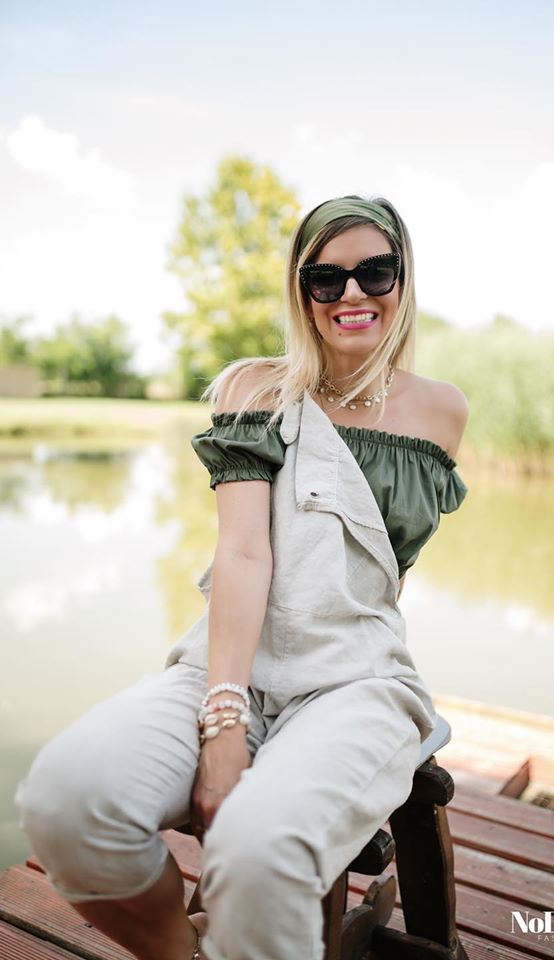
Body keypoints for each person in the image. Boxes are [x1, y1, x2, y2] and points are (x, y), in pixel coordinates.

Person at [15, 195, 470, 960]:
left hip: (357, 680)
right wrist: (224, 721)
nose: (351, 293)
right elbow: (244, 554)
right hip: (229, 667)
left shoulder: (442, 411)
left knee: (260, 852)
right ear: (302, 292)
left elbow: (382, 568)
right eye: (326, 278)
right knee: (67, 801)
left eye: (374, 272)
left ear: (403, 279)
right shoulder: (258, 390)